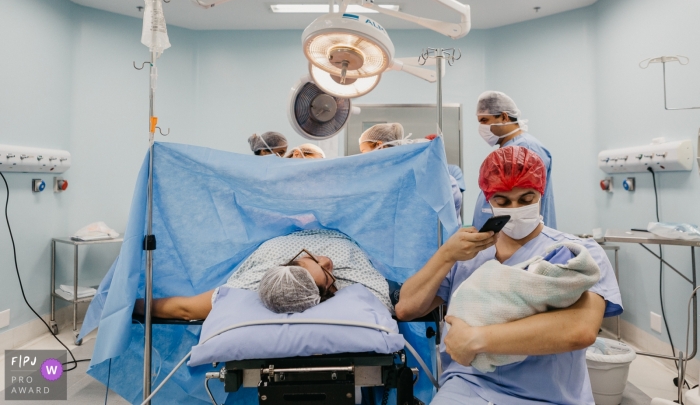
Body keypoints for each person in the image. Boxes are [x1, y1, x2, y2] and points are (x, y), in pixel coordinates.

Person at [395, 146, 621, 405]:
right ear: (488, 201)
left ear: (540, 195)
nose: (515, 208)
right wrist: (446, 255)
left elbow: (580, 330)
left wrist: (476, 340)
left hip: (546, 395)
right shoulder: (468, 254)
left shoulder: (572, 253)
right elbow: (406, 308)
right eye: (502, 202)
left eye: (526, 200)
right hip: (467, 386)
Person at [134, 229, 392, 320]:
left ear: (286, 263)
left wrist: (130, 307)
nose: (327, 260)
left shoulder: (252, 281)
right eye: (327, 273)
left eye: (311, 259)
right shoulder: (356, 287)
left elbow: (184, 308)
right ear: (328, 290)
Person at [472, 91, 557, 230]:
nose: (481, 127)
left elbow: (525, 202)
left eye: (484, 120)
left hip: (519, 239)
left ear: (504, 116)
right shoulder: (509, 149)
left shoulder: (527, 148)